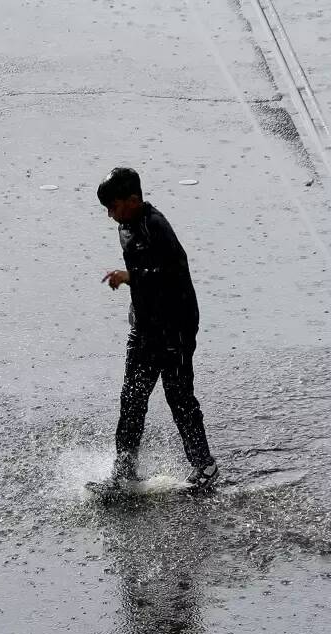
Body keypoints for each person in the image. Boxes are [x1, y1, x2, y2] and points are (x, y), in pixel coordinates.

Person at [93, 167, 219, 490]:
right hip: (145, 329)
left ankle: (204, 467)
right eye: (106, 209)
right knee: (132, 399)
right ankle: (123, 473)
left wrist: (130, 276)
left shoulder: (156, 226)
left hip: (175, 328)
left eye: (114, 206)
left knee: (179, 397)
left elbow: (171, 273)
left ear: (134, 200)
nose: (110, 215)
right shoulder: (125, 226)